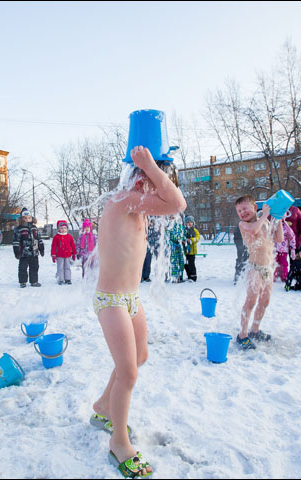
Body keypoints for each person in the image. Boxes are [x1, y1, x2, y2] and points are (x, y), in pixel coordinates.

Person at [91, 145, 186, 478]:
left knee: (139, 356)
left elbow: (172, 200)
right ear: (134, 175)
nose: (148, 185)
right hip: (111, 300)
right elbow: (178, 203)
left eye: (153, 181)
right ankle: (119, 441)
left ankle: (103, 405)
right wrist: (147, 163)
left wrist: (156, 172)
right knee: (128, 372)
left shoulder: (141, 210)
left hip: (131, 299)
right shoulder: (122, 200)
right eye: (143, 177)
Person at [235, 195, 284, 349]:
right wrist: (264, 215)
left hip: (268, 268)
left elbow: (280, 239)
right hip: (254, 268)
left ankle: (255, 330)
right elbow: (254, 229)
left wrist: (279, 220)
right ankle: (242, 334)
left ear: (255, 207)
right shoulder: (244, 225)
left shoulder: (266, 221)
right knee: (251, 301)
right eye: (239, 211)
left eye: (245, 208)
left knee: (265, 301)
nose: (242, 212)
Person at [12, 208, 45, 287]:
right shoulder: (19, 229)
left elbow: (39, 238)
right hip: (24, 252)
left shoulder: (34, 228)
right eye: (25, 218)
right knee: (23, 268)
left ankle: (34, 281)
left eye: (29, 218)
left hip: (34, 252)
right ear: (21, 219)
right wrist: (17, 251)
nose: (27, 219)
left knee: (34, 267)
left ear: (32, 218)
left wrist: (41, 248)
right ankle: (22, 281)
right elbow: (16, 241)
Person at [51, 220, 77, 285]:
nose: (63, 230)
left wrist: (74, 253)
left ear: (67, 229)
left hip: (68, 255)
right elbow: (53, 246)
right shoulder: (56, 237)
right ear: (58, 229)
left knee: (67, 267)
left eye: (65, 228)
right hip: (59, 255)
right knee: (60, 267)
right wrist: (53, 255)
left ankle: (68, 279)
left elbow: (73, 245)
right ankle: (61, 279)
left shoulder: (69, 236)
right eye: (61, 228)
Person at [166, 215, 186, 283]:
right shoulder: (169, 226)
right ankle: (174, 277)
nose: (173, 218)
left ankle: (180, 277)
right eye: (171, 217)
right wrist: (172, 244)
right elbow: (167, 237)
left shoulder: (180, 226)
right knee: (174, 262)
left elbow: (183, 235)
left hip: (180, 246)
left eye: (174, 217)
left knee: (181, 262)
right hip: (173, 247)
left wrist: (184, 240)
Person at [140, 217, 159, 282]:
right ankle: (141, 276)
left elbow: (155, 238)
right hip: (142, 247)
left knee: (148, 262)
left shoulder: (153, 230)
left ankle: (146, 276)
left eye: (152, 222)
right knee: (142, 262)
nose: (150, 223)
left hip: (149, 247)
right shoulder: (143, 228)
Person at [183, 215, 200, 282]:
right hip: (185, 251)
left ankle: (193, 277)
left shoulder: (194, 230)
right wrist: (183, 241)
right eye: (188, 222)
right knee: (186, 264)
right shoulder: (184, 230)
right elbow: (182, 237)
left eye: (191, 222)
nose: (189, 223)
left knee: (191, 264)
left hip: (192, 251)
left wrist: (191, 240)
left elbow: (197, 238)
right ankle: (189, 275)